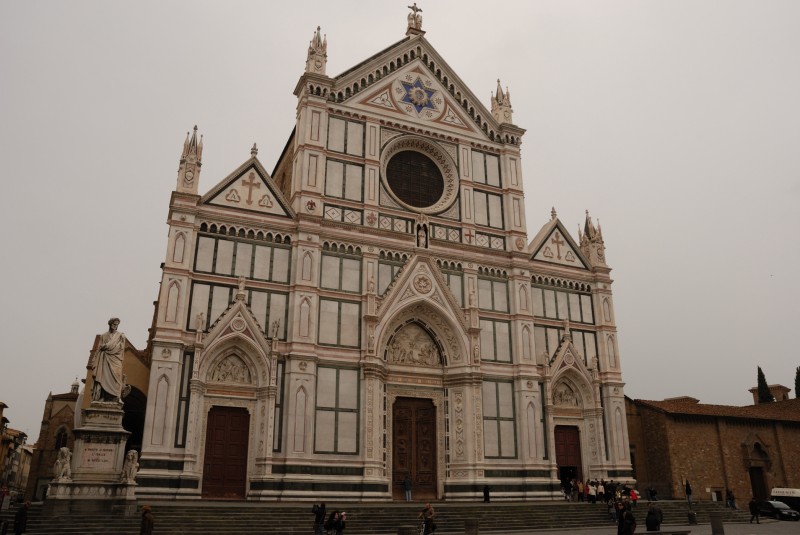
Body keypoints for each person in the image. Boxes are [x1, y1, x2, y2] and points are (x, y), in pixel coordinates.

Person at [90, 317, 126, 402]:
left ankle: (116, 397)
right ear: (110, 324)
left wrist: (107, 346)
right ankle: (103, 396)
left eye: (116, 325)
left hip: (116, 359)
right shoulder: (103, 336)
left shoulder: (121, 335)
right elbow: (99, 348)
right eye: (113, 324)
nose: (115, 326)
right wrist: (94, 360)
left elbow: (121, 348)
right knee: (103, 377)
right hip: (105, 359)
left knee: (116, 377)